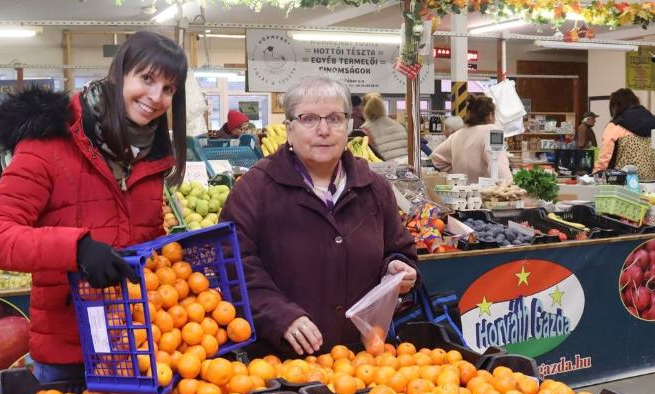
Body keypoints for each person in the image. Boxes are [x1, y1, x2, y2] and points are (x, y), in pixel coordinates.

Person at [0, 31, 188, 382]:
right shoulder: (49, 144)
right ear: (119, 74)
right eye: (146, 79)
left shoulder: (151, 157)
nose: (155, 97)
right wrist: (77, 248)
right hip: (67, 355)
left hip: (140, 347)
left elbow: (145, 238)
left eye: (168, 88)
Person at [219, 76, 418, 358]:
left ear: (349, 126)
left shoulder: (374, 188)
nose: (323, 130)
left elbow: (399, 250)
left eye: (335, 118)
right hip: (282, 364)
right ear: (289, 129)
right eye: (309, 119)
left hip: (360, 360)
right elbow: (234, 267)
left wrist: (398, 268)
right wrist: (280, 316)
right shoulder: (255, 190)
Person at [430, 95, 512, 183]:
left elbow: (436, 157)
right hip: (485, 193)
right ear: (491, 115)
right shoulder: (492, 131)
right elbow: (501, 171)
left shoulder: (457, 134)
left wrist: (456, 175)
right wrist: (509, 185)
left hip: (461, 192)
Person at [594, 89, 655, 173]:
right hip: (651, 181)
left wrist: (596, 173)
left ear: (615, 106)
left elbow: (605, 157)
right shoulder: (652, 121)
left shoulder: (615, 126)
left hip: (623, 181)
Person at [360, 92, 408, 162]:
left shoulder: (364, 131)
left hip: (386, 170)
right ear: (383, 106)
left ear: (363, 108)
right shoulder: (399, 125)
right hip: (406, 168)